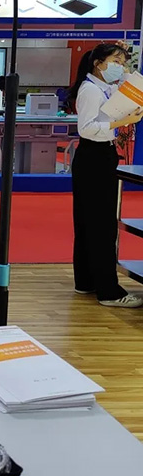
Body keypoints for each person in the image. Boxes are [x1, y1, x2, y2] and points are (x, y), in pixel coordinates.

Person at [66, 42, 143, 308]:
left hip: (98, 156)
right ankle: (109, 291)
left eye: (122, 62)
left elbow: (125, 91)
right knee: (101, 225)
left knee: (89, 222)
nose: (120, 67)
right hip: (95, 156)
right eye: (116, 62)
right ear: (98, 63)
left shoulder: (103, 87)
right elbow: (87, 128)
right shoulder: (90, 90)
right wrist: (123, 122)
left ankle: (86, 280)